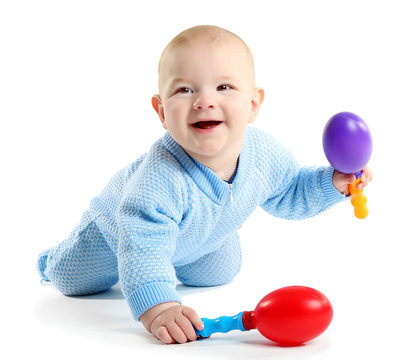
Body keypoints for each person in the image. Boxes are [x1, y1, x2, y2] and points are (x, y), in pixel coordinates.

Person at [36, 25, 372, 344]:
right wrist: (161, 307)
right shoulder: (160, 179)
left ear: (253, 104)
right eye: (184, 90)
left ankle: (192, 247)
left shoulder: (264, 153)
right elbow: (144, 245)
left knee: (222, 271)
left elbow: (291, 191)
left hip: (197, 239)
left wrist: (334, 182)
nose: (204, 101)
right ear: (161, 111)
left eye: (224, 87)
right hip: (114, 235)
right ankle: (53, 259)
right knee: (72, 279)